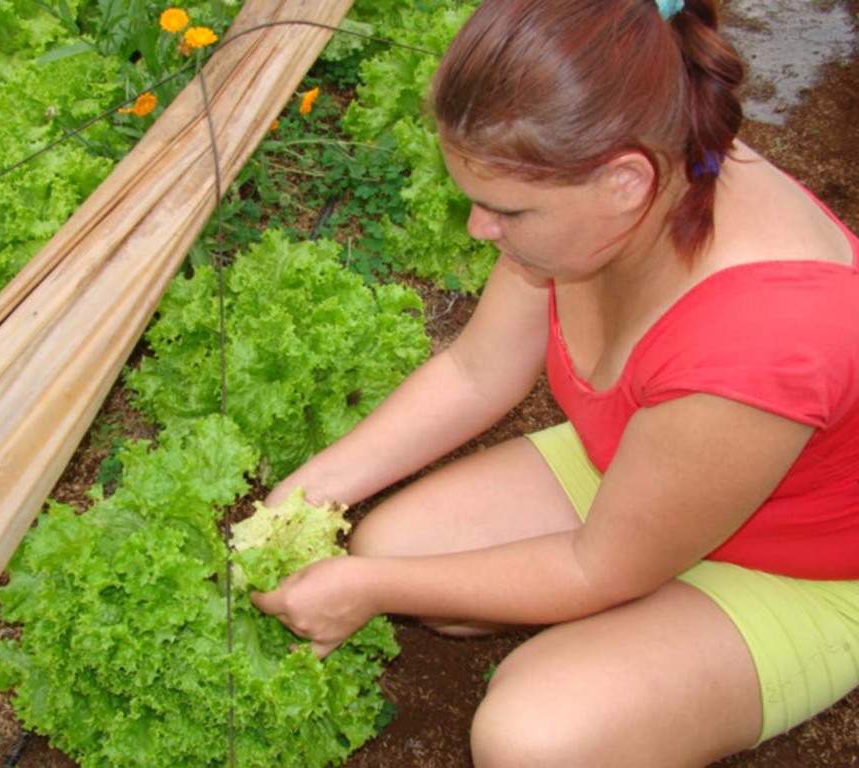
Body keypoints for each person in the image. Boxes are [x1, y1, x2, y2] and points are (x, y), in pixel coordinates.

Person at [251, 0, 859, 764]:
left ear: (625, 181)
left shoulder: (761, 340)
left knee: (535, 738)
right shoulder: (627, 172)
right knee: (394, 543)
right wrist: (310, 491)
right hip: (649, 465)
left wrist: (371, 588)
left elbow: (596, 566)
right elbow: (477, 371)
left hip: (803, 564)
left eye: (506, 210)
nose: (480, 229)